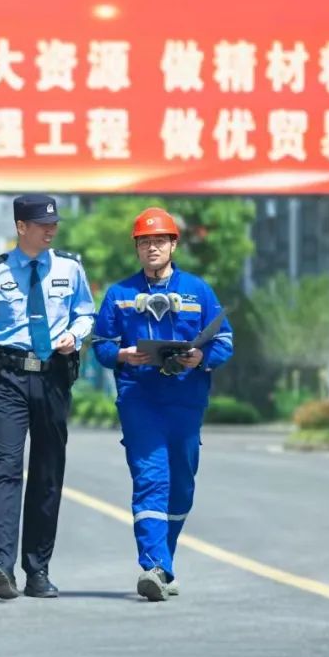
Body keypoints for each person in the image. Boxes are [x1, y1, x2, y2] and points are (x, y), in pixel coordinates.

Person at [0, 194, 95, 600]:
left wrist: (75, 335)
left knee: (48, 475)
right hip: (9, 378)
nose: (51, 230)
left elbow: (86, 312)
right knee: (8, 469)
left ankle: (38, 570)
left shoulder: (69, 267)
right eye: (41, 224)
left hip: (53, 379)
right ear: (20, 227)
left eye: (54, 224)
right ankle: (0, 565)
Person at [90, 207, 234, 601]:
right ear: (136, 248)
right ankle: (152, 566)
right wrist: (124, 356)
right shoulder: (119, 295)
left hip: (186, 400)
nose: (151, 248)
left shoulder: (199, 291)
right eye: (144, 242)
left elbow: (224, 340)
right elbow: (101, 346)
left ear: (173, 245)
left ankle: (164, 563)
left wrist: (200, 358)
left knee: (182, 485)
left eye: (159, 241)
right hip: (140, 400)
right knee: (151, 478)